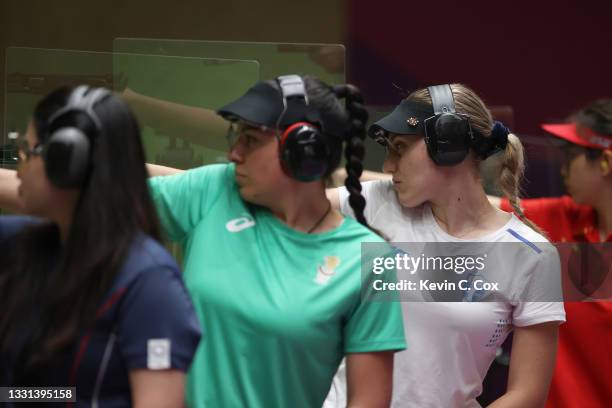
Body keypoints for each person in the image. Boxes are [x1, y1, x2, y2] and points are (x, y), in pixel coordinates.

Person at [146, 75, 406, 407]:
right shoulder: (213, 190)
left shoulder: (369, 260)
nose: (234, 154)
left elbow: (368, 402)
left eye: (251, 140)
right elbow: (102, 203)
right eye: (236, 137)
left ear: (305, 149)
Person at [326, 84, 565, 407]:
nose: (387, 166)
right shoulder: (370, 203)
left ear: (448, 145)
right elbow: (283, 206)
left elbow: (528, 394)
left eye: (399, 148)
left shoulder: (532, 255)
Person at [0, 86, 201, 407]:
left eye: (28, 150)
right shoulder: (28, 244)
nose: (19, 168)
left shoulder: (149, 282)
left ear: (67, 160)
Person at [490, 99, 612, 407]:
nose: (563, 167)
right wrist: (356, 185)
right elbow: (472, 206)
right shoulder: (563, 217)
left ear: (605, 162)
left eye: (571, 156)